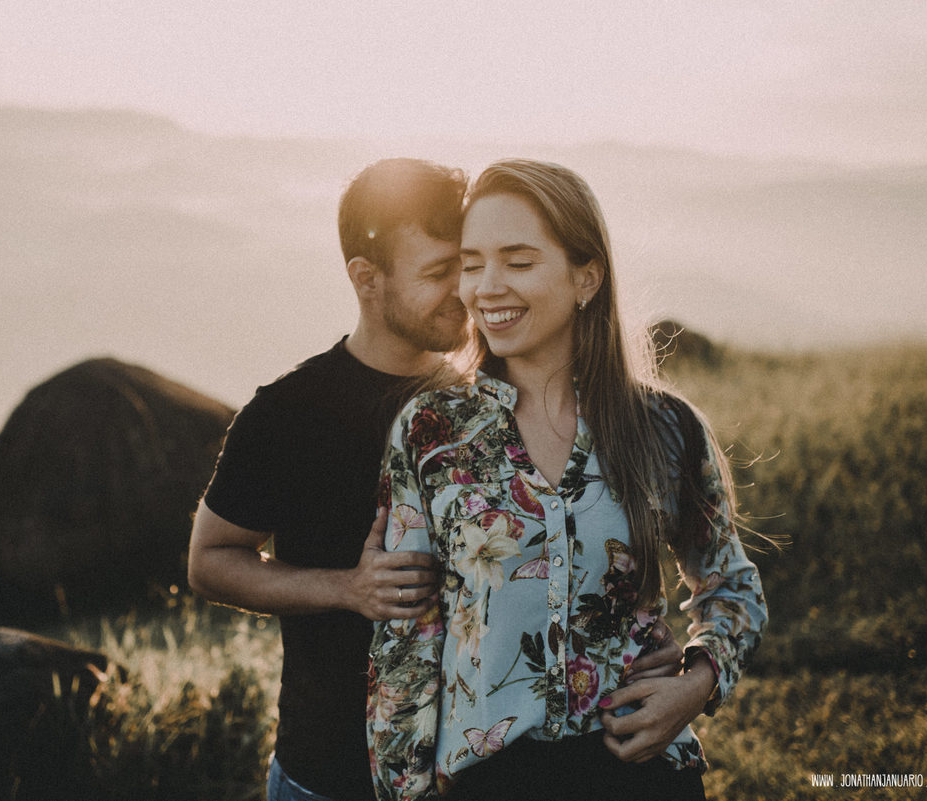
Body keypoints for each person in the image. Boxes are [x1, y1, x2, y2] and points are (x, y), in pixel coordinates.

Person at [188, 158, 685, 801]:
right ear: (366, 280)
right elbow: (209, 560)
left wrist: (633, 636)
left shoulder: (493, 398)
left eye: (468, 262)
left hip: (475, 773)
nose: (467, 290)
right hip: (330, 770)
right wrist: (347, 589)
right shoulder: (289, 413)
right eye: (436, 272)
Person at [367, 159, 768, 801]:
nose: (486, 288)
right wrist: (402, 792)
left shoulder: (663, 427)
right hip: (490, 784)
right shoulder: (432, 432)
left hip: (642, 775)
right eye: (472, 264)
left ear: (586, 277)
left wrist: (693, 688)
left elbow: (733, 586)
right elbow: (407, 637)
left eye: (518, 262)